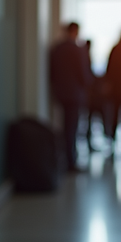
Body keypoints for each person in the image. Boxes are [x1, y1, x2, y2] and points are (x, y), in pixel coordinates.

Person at [49, 22, 92, 172]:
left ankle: (64, 158)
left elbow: (52, 72)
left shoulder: (57, 48)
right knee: (71, 127)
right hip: (74, 94)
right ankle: (70, 161)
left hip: (61, 93)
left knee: (65, 126)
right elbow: (83, 74)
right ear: (76, 31)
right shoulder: (77, 50)